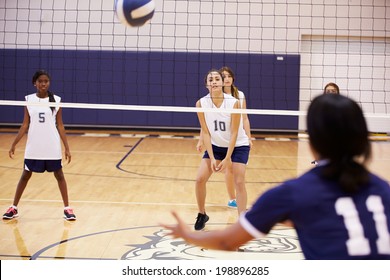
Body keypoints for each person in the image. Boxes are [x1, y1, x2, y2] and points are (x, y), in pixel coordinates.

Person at [162, 94, 390, 259]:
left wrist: (187, 235)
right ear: (362, 138)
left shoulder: (292, 194)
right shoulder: (384, 190)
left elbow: (226, 241)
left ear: (312, 140)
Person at [3, 70, 76, 221]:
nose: (43, 84)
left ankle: (67, 208)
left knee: (59, 175)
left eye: (46, 81)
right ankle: (14, 208)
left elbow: (61, 126)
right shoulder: (28, 100)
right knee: (25, 175)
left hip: (51, 145)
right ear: (34, 83)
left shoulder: (56, 100)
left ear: (49, 83)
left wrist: (67, 147)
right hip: (34, 145)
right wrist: (14, 143)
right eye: (40, 81)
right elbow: (24, 125)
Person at [193, 69, 250, 230]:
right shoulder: (201, 103)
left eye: (217, 78)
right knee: (199, 179)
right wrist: (212, 157)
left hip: (238, 145)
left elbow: (234, 132)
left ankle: (242, 220)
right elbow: (205, 131)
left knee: (238, 180)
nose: (215, 81)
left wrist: (227, 158)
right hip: (216, 146)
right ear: (207, 84)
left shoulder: (233, 103)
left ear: (222, 81)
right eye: (211, 79)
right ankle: (202, 213)